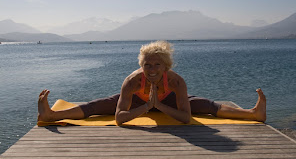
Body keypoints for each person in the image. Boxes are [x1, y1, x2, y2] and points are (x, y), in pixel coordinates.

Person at [38, 41, 266, 125]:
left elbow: (186, 118)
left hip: (167, 100)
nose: (152, 70)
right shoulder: (132, 81)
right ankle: (51, 116)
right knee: (97, 106)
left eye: (157, 65)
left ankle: (253, 114)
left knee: (207, 106)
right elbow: (119, 118)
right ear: (142, 65)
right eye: (148, 65)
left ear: (166, 67)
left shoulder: (176, 82)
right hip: (140, 101)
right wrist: (147, 106)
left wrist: (161, 104)